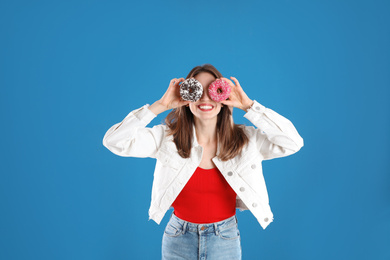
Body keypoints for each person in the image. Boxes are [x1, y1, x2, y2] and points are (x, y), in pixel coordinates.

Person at [102, 64, 304, 260]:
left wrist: (249, 106)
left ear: (224, 96)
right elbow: (114, 141)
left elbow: (293, 142)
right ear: (186, 97)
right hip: (178, 238)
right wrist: (160, 106)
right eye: (196, 91)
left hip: (225, 239)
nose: (205, 98)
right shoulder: (166, 139)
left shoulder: (246, 140)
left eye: (213, 90)